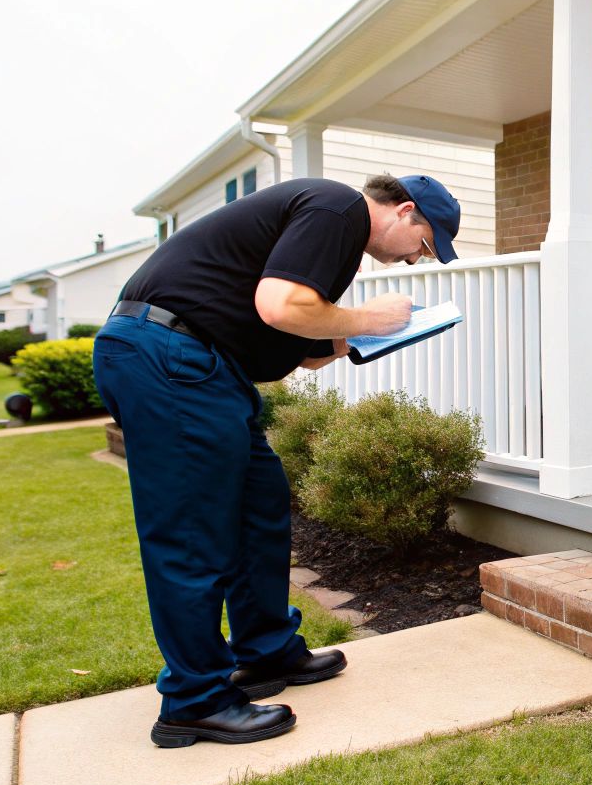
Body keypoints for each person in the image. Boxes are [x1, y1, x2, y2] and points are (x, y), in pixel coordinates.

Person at [93, 173, 462, 748]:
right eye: (425, 244)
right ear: (404, 210)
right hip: (168, 357)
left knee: (259, 511)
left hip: (207, 369)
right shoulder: (338, 207)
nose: (416, 259)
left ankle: (266, 652)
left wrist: (359, 336)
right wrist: (369, 318)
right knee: (192, 536)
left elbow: (299, 344)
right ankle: (194, 701)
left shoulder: (334, 234)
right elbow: (280, 305)